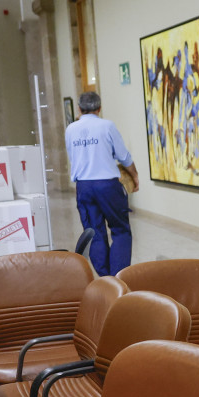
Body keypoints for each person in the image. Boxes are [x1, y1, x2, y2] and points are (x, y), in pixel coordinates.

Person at [65, 91, 140, 276]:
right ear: (99, 108)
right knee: (120, 230)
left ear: (79, 109)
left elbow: (72, 156)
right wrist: (134, 175)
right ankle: (119, 277)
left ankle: (105, 278)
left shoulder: (71, 129)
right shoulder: (107, 126)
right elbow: (123, 156)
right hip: (107, 186)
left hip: (84, 187)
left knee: (94, 232)